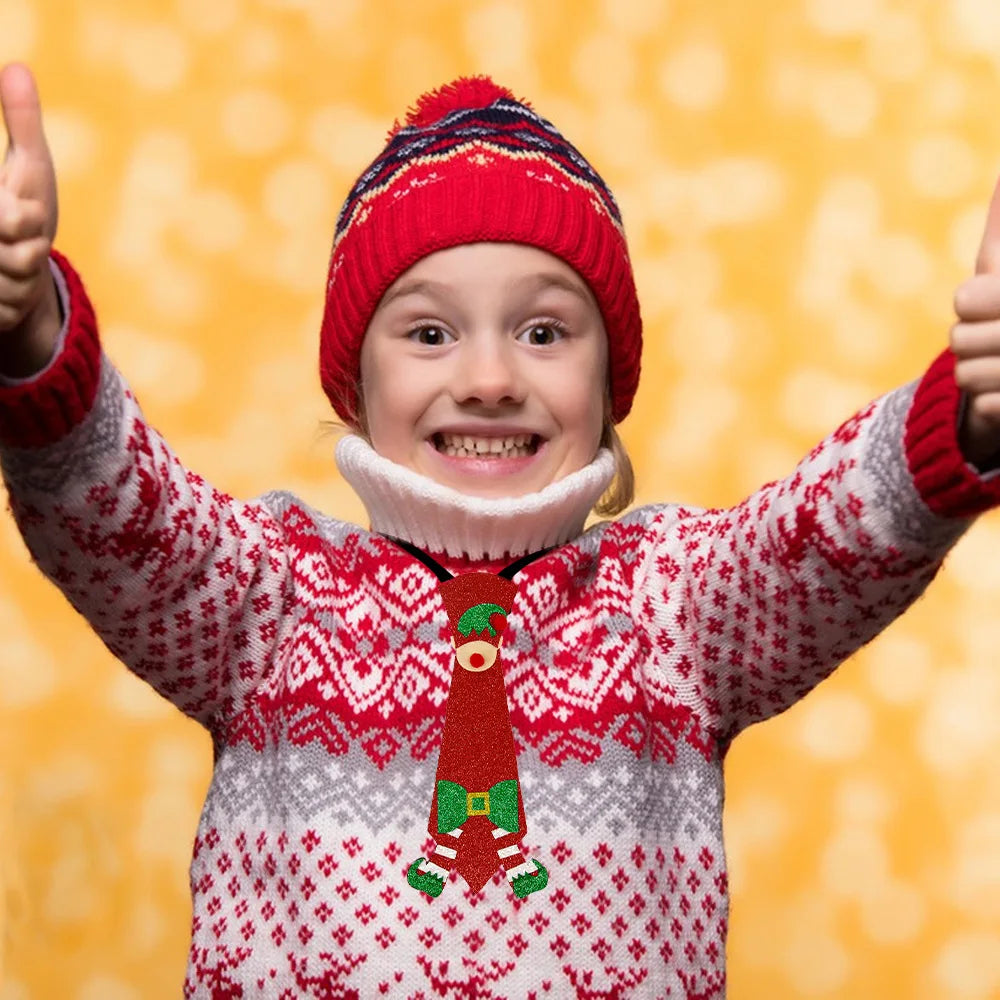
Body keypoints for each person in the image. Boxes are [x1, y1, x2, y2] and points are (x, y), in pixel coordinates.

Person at [2, 60, 1000, 1000]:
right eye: (430, 333)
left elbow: (822, 542)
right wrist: (34, 331)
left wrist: (966, 410)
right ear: (357, 385)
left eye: (543, 331)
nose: (487, 380)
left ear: (610, 383)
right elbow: (111, 508)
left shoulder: (674, 610)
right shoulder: (271, 602)